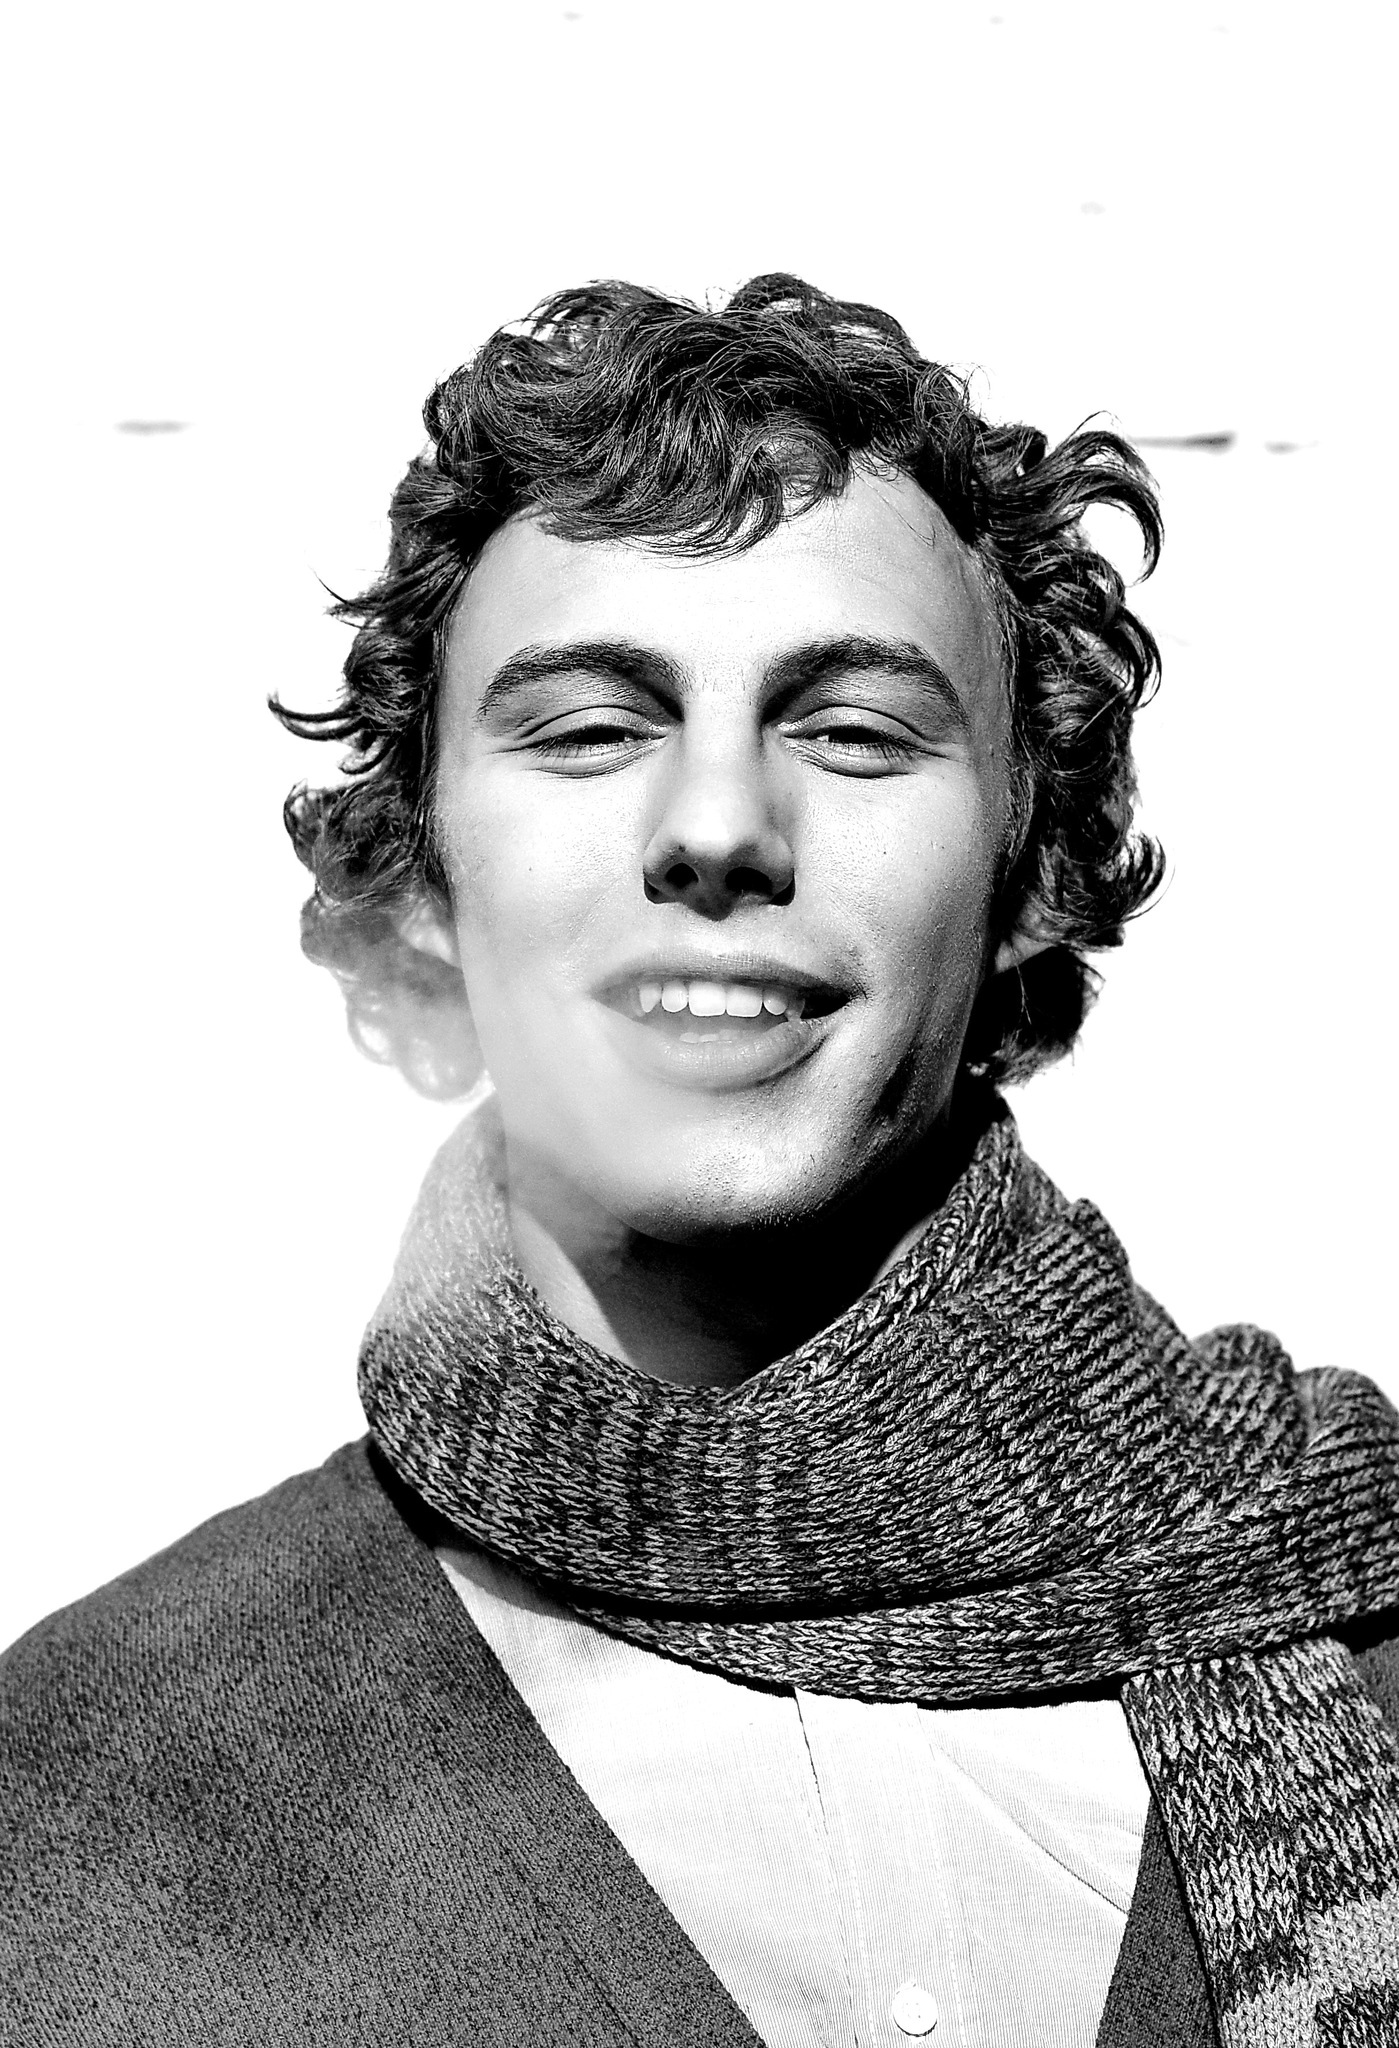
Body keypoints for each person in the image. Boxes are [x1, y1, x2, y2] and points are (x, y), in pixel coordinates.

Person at [3, 276, 1398, 2048]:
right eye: (590, 730)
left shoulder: (1365, 1628)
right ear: (423, 887)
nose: (723, 826)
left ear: (1027, 877)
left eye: (855, 732)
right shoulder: (68, 1810)